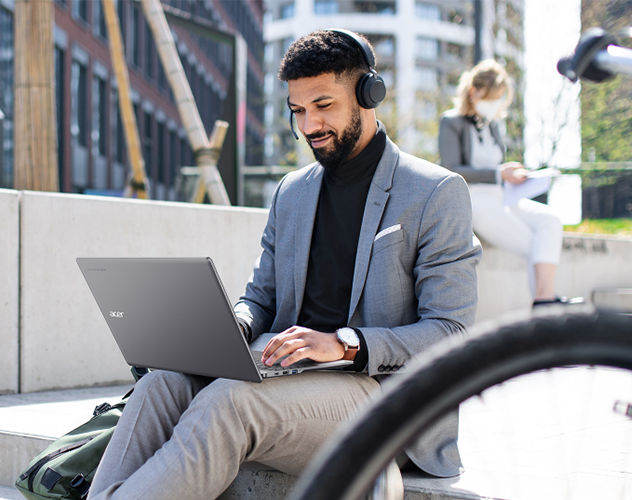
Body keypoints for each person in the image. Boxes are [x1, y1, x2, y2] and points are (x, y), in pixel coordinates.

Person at [87, 29, 481, 500]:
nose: (309, 124)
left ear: (368, 94)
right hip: (285, 375)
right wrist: (233, 323)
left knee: (227, 403)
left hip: (376, 392)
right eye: (297, 110)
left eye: (323, 105)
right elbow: (260, 298)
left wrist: (343, 344)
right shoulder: (292, 192)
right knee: (161, 385)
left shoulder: (436, 192)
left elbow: (450, 331)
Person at [438, 59, 568, 307]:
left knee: (550, 221)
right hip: (474, 200)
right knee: (533, 244)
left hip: (503, 195)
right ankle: (544, 302)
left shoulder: (494, 125)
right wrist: (499, 173)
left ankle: (544, 298)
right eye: (493, 97)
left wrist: (515, 177)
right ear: (475, 92)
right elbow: (450, 169)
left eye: (500, 98)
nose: (496, 103)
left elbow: (498, 167)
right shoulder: (451, 122)